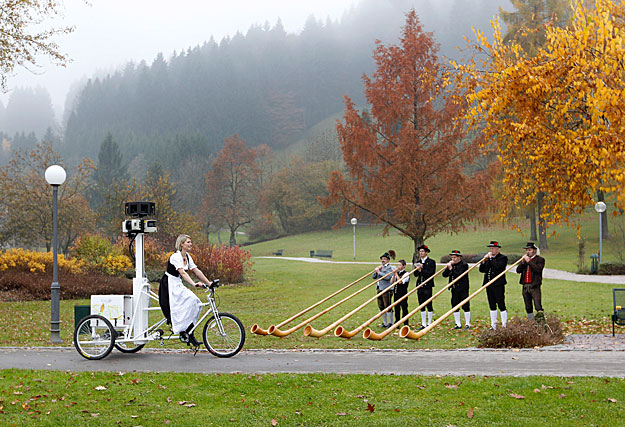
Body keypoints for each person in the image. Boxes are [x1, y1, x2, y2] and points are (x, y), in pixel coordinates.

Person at [160, 234, 212, 349]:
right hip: (169, 285)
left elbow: (196, 270)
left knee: (196, 303)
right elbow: (183, 272)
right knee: (190, 301)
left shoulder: (187, 256)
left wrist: (209, 283)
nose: (191, 244)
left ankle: (188, 331)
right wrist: (193, 284)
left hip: (177, 283)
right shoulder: (175, 256)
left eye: (191, 242)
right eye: (188, 242)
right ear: (181, 244)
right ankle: (182, 330)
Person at [479, 240, 508, 329]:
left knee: (501, 303)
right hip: (489, 284)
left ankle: (504, 324)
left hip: (498, 284)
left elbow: (499, 267)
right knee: (491, 304)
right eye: (490, 248)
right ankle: (493, 325)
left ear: (497, 249)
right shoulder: (489, 258)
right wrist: (483, 261)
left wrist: (491, 259)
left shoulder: (503, 258)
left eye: (493, 248)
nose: (491, 250)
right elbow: (482, 270)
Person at [516, 242, 546, 321]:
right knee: (528, 306)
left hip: (534, 286)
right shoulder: (524, 261)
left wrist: (529, 261)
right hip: (525, 286)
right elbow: (518, 270)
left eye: (529, 250)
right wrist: (522, 263)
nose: (527, 251)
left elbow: (538, 270)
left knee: (537, 305)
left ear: (534, 251)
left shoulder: (540, 260)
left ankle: (541, 322)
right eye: (526, 250)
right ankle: (531, 323)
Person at [442, 250, 471, 330]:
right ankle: (458, 324)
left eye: (454, 257)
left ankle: (467, 323)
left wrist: (451, 268)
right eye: (452, 257)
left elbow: (459, 275)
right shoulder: (452, 265)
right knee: (454, 305)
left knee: (465, 305)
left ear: (459, 257)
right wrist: (448, 268)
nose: (453, 259)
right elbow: (444, 275)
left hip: (463, 288)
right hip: (454, 288)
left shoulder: (464, 265)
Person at [414, 244, 436, 329]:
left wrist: (421, 270)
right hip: (420, 285)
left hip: (428, 285)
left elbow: (430, 273)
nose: (421, 253)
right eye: (420, 251)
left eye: (422, 251)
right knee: (421, 304)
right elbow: (415, 274)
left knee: (428, 303)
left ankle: (429, 323)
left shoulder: (431, 262)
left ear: (426, 252)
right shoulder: (418, 261)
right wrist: (418, 269)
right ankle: (423, 323)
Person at [372, 250, 396, 328]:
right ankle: (385, 323)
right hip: (379, 288)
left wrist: (379, 272)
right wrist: (376, 271)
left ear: (388, 260)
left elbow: (388, 277)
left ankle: (391, 323)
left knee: (387, 306)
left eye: (384, 259)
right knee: (381, 306)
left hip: (387, 289)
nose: (383, 260)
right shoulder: (380, 267)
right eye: (382, 259)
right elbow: (373, 277)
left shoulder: (390, 268)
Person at [393, 259, 410, 326]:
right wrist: (394, 275)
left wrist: (396, 274)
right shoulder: (397, 273)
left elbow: (400, 282)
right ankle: (397, 322)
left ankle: (405, 323)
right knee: (396, 308)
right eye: (398, 265)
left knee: (404, 308)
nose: (398, 266)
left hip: (403, 293)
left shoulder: (406, 273)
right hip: (396, 292)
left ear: (404, 266)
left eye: (400, 265)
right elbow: (392, 282)